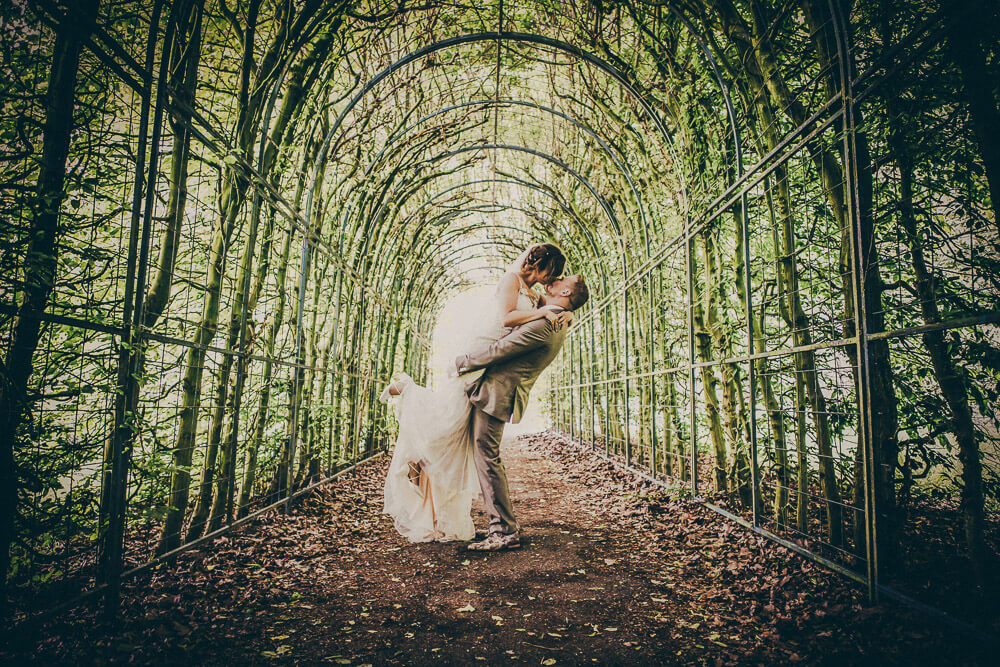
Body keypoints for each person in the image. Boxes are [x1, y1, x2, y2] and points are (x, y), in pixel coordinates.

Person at [380, 244, 571, 542]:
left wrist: (561, 312)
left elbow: (559, 306)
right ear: (539, 264)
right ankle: (410, 402)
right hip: (481, 352)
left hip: (491, 363)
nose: (554, 278)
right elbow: (508, 318)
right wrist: (547, 311)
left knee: (455, 427)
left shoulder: (536, 294)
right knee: (448, 418)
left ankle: (425, 458)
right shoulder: (512, 280)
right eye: (553, 272)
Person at [457, 274, 589, 551]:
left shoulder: (546, 323)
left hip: (498, 393)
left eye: (562, 278)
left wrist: (463, 362)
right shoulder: (553, 317)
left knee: (487, 458)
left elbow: (501, 349)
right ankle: (502, 526)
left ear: (565, 290)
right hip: (498, 391)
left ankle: (504, 530)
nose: (555, 278)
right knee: (486, 456)